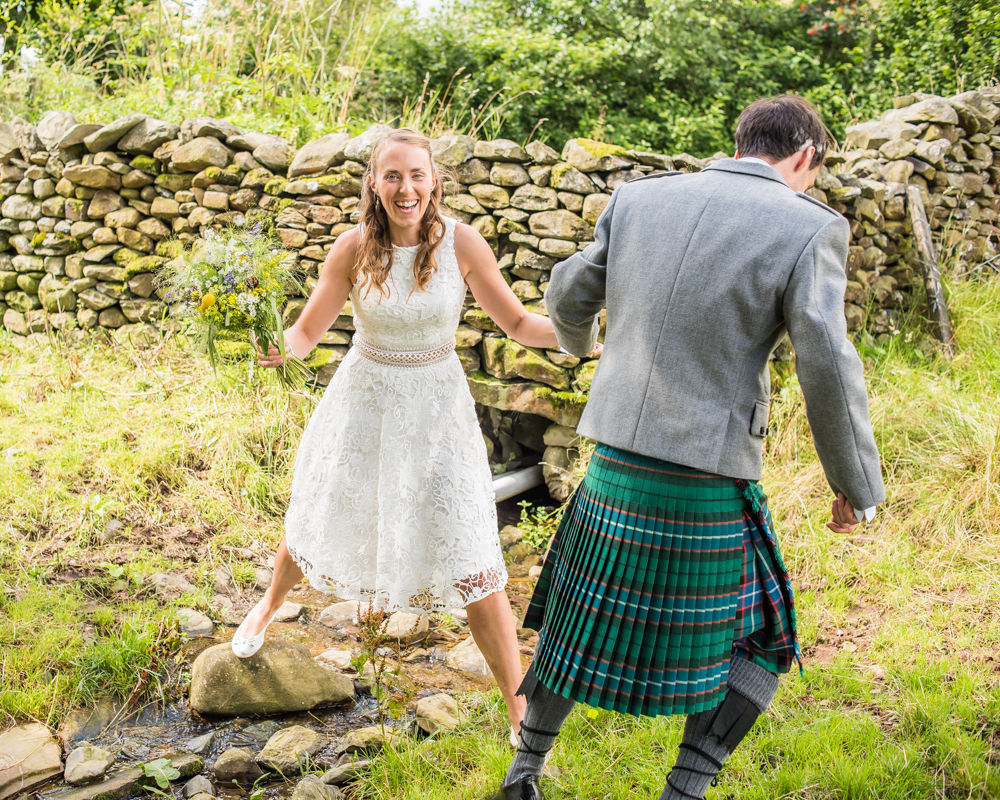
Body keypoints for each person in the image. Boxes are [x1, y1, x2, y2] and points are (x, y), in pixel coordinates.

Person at [491, 95, 886, 800]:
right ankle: (685, 791)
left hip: (614, 468)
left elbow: (568, 290)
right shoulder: (810, 227)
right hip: (706, 478)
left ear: (740, 142)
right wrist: (856, 484)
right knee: (762, 637)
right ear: (806, 157)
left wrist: (585, 350)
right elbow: (826, 357)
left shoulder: (640, 199)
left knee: (577, 620)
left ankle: (525, 775)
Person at [235, 127, 567, 742]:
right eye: (393, 175)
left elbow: (519, 322)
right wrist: (275, 347)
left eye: (417, 175)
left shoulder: (463, 244)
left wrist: (574, 336)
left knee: (472, 546)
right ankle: (269, 603)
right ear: (373, 183)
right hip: (366, 403)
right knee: (325, 510)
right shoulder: (352, 248)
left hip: (438, 411)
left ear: (434, 181)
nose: (406, 187)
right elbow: (306, 333)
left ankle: (519, 710)